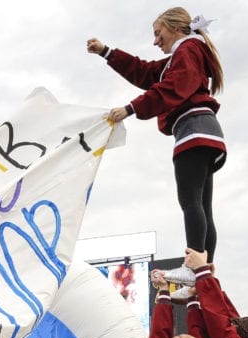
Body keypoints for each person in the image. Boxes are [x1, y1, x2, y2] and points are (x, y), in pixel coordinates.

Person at [87, 7, 225, 285]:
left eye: (157, 33)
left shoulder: (188, 50)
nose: (155, 41)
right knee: (201, 206)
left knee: (190, 202)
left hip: (193, 129)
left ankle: (193, 265)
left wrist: (130, 108)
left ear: (174, 28)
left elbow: (173, 87)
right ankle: (203, 272)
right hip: (205, 130)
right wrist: (107, 52)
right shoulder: (184, 55)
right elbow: (146, 72)